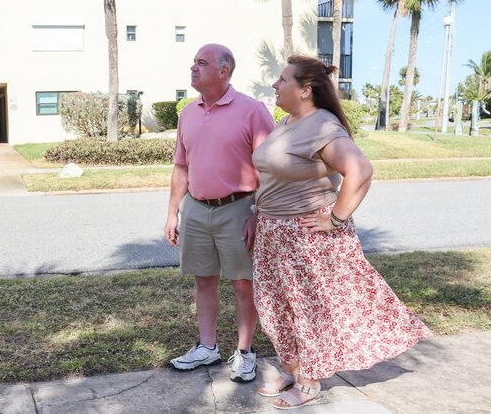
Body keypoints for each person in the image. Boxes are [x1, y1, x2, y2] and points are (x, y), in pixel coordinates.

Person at [251, 55, 431, 409]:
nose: (275, 85)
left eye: (283, 80)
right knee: (273, 305)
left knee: (307, 308)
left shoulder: (322, 126)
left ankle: (309, 379)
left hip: (303, 234)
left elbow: (360, 170)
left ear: (305, 91)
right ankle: (293, 367)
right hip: (273, 231)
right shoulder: (288, 121)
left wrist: (335, 218)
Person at [165, 43, 275, 383]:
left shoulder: (252, 111)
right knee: (204, 280)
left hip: (239, 209)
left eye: (202, 63)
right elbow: (181, 167)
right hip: (196, 210)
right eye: (194, 62)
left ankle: (245, 353)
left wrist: (259, 212)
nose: (193, 68)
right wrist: (172, 214)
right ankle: (207, 347)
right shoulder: (188, 113)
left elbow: (271, 169)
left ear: (223, 71)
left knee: (243, 284)